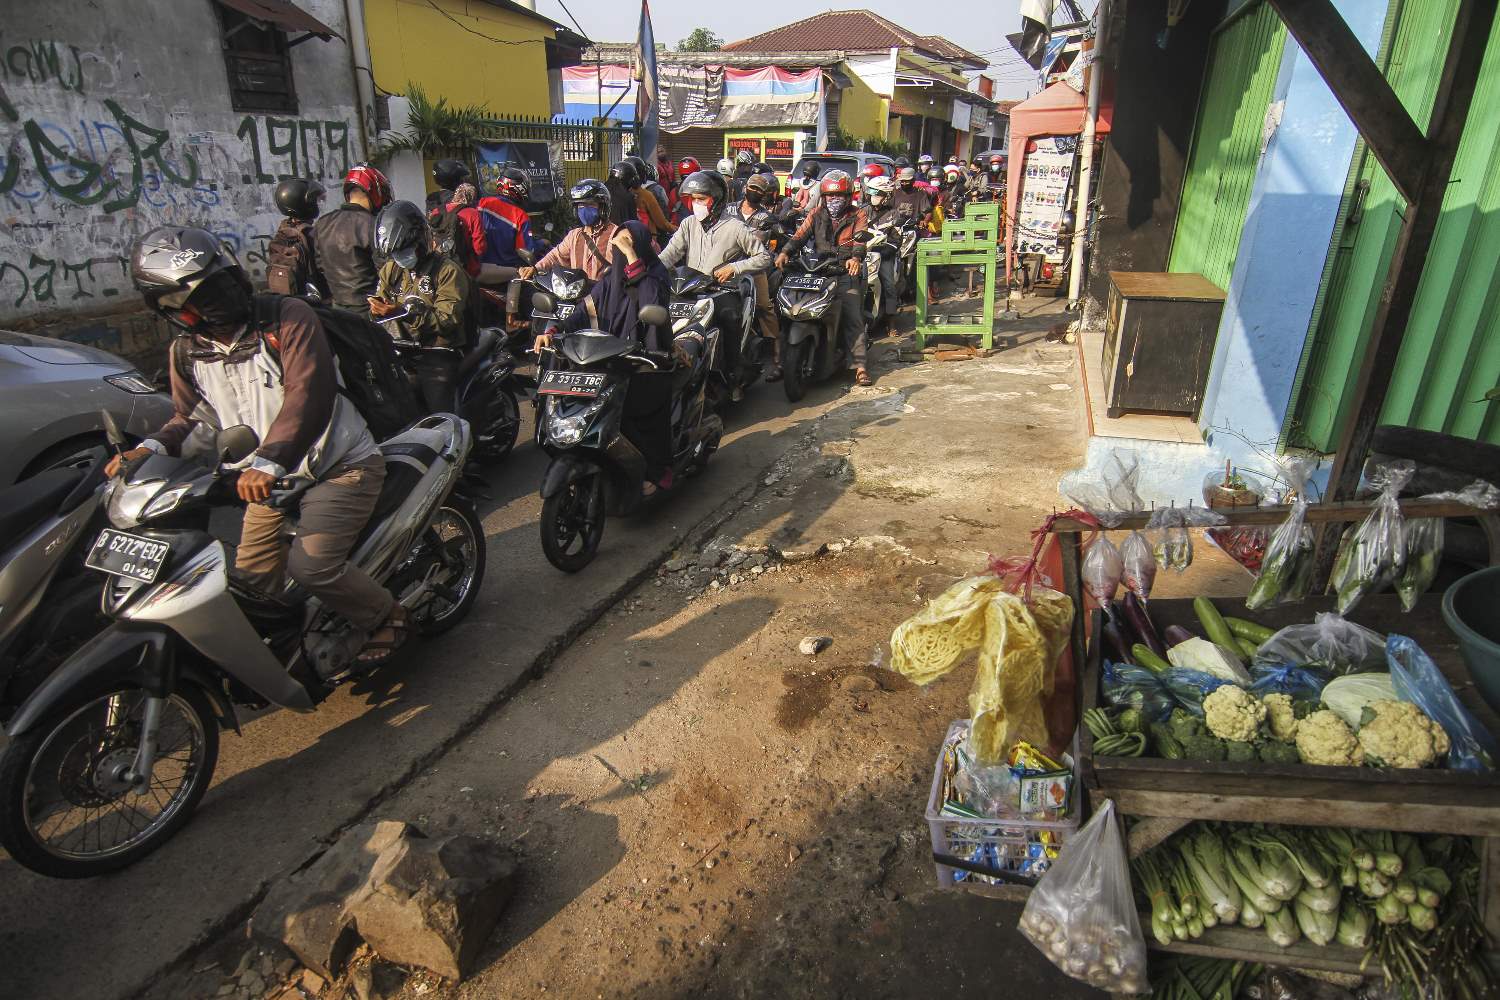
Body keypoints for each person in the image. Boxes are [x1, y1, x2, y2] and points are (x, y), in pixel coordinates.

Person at [117, 226, 407, 664]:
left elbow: (307, 393)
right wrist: (150, 450)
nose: (220, 296)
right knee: (251, 583)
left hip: (339, 464)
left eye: (221, 281)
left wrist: (271, 462)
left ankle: (386, 616)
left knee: (312, 567)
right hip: (265, 481)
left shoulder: (286, 318)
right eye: (202, 293)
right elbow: (192, 417)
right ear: (174, 308)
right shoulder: (185, 353)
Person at [534, 222, 680, 492]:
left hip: (647, 358)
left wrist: (634, 260)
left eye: (629, 243)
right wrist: (554, 331)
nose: (621, 249)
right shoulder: (610, 278)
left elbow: (652, 305)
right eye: (618, 243)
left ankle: (657, 468)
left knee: (636, 404)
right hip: (608, 355)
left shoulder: (656, 275)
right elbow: (584, 308)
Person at [659, 170, 772, 401]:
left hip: (723, 291)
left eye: (702, 199)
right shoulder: (688, 224)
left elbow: (764, 258)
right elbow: (669, 255)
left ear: (717, 199)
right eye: (694, 199)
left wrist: (735, 268)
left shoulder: (735, 227)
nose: (696, 204)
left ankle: (733, 376)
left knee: (730, 318)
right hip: (688, 290)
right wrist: (651, 270)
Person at [368, 201, 470, 414]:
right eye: (395, 253)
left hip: (440, 350)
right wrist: (376, 309)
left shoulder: (447, 271)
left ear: (420, 240)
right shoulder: (391, 270)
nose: (400, 257)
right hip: (403, 349)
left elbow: (447, 319)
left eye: (404, 250)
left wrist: (402, 313)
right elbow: (381, 301)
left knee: (441, 414)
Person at [775, 170, 873, 387]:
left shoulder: (858, 215)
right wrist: (785, 252)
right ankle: (781, 362)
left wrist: (855, 258)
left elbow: (860, 241)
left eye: (839, 196)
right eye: (830, 196)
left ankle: (860, 367)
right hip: (817, 270)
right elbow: (800, 235)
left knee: (851, 315)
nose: (834, 200)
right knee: (788, 310)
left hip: (844, 272)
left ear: (848, 197)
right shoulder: (817, 214)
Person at [725, 172, 783, 381]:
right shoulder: (728, 209)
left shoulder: (767, 218)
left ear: (765, 194)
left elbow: (778, 239)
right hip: (726, 266)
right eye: (753, 187)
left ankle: (778, 360)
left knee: (765, 308)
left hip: (753, 269)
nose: (755, 192)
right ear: (746, 187)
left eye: (760, 190)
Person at [315, 163, 391, 312]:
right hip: (370, 309)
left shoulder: (323, 223)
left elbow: (320, 265)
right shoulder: (374, 224)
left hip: (337, 307)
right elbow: (386, 269)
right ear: (374, 191)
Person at [520, 178, 619, 283]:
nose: (584, 210)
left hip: (605, 295)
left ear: (603, 207)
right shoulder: (575, 236)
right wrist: (535, 269)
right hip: (578, 293)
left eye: (590, 204)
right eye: (581, 206)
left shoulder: (616, 234)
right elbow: (555, 256)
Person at [266, 178, 328, 298]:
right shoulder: (313, 235)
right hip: (318, 299)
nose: (317, 204)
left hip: (289, 299)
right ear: (304, 204)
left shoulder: (282, 232)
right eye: (314, 201)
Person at [477, 167, 541, 269]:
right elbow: (527, 250)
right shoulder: (520, 216)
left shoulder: (482, 203)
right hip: (508, 269)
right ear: (519, 188)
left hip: (481, 267)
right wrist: (541, 243)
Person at [863, 175, 903, 336]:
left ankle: (891, 323)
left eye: (878, 193)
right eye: (872, 193)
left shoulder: (894, 214)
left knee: (888, 285)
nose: (874, 197)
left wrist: (884, 250)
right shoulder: (863, 211)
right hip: (863, 253)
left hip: (884, 255)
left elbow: (896, 239)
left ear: (887, 196)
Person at [616, 158, 675, 239]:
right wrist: (679, 231)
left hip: (618, 239)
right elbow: (662, 223)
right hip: (644, 240)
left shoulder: (612, 194)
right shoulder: (644, 194)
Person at [891, 166, 934, 232]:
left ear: (913, 180)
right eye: (902, 181)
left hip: (913, 230)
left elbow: (928, 212)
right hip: (895, 230)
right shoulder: (895, 193)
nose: (904, 184)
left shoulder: (920, 194)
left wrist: (925, 221)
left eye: (907, 181)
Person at [605, 160, 639, 227]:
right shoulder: (628, 197)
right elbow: (634, 223)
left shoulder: (601, 190)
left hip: (599, 233)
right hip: (622, 233)